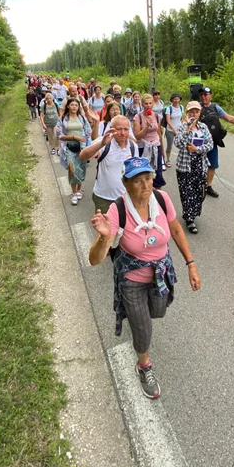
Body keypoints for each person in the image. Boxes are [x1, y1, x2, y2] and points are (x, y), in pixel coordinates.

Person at [88, 157, 201, 399]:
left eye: (148, 178)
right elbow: (94, 260)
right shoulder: (117, 209)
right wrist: (104, 238)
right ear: (126, 184)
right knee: (143, 327)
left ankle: (139, 319)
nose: (145, 185)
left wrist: (190, 264)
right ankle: (144, 365)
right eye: (137, 181)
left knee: (158, 311)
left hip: (160, 273)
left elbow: (176, 230)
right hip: (132, 278)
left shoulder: (162, 199)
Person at [198, 87, 234, 198]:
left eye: (206, 94)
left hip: (212, 142)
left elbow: (229, 118)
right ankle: (197, 186)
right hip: (198, 142)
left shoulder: (215, 108)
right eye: (201, 94)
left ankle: (208, 186)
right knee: (197, 164)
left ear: (211, 95)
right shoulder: (196, 106)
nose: (203, 96)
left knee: (212, 165)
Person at [79, 115, 137, 213]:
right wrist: (101, 144)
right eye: (119, 129)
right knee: (105, 227)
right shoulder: (103, 142)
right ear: (111, 129)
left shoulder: (133, 146)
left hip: (126, 198)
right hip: (104, 198)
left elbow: (134, 171)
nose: (123, 133)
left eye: (126, 129)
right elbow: (83, 156)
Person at [173, 101, 214, 234]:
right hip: (185, 165)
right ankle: (189, 218)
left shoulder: (203, 127)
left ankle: (193, 212)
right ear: (187, 113)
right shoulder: (182, 127)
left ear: (199, 113)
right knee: (186, 193)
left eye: (196, 111)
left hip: (200, 165)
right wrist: (187, 131)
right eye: (191, 111)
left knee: (198, 192)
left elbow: (210, 144)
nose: (193, 114)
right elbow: (178, 143)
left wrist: (197, 149)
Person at [58, 98, 91, 205]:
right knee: (72, 169)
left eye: (76, 105)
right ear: (68, 106)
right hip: (69, 147)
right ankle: (73, 193)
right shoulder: (63, 119)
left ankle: (79, 189)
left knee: (81, 169)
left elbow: (88, 132)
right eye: (72, 105)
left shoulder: (82, 118)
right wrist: (73, 137)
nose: (74, 107)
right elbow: (59, 135)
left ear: (78, 107)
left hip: (81, 148)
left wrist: (87, 143)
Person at [133, 94, 166, 188]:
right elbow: (137, 136)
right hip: (143, 147)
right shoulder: (138, 117)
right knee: (143, 172)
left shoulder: (157, 116)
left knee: (158, 172)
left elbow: (159, 133)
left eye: (150, 103)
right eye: (146, 103)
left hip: (156, 146)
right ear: (142, 104)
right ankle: (145, 192)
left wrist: (162, 149)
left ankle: (158, 194)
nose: (148, 105)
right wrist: (146, 127)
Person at [163, 93, 184, 167]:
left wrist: (183, 126)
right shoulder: (169, 108)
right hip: (170, 130)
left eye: (177, 99)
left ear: (179, 99)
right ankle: (168, 160)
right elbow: (168, 121)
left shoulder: (181, 107)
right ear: (172, 100)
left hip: (179, 130)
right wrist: (174, 129)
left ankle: (182, 160)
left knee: (182, 145)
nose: (176, 100)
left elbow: (181, 118)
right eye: (174, 99)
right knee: (169, 146)